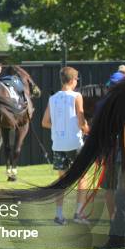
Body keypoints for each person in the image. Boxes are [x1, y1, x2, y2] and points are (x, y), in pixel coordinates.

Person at [41, 66, 90, 225]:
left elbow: (45, 123)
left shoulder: (53, 98)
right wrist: (87, 128)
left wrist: (59, 127)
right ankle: (79, 213)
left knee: (62, 181)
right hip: (75, 143)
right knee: (82, 178)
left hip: (58, 145)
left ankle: (59, 215)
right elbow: (81, 121)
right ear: (73, 80)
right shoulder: (76, 96)